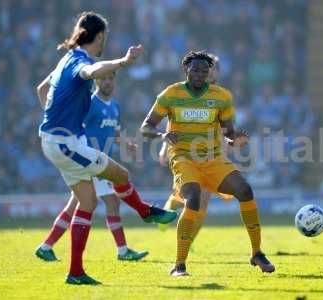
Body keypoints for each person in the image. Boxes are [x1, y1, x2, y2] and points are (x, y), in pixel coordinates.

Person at [36, 11, 176, 285]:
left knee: (87, 202)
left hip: (57, 140)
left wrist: (55, 121)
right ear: (99, 36)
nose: (104, 44)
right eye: (104, 38)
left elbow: (41, 89)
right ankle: (146, 211)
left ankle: (75, 272)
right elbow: (91, 72)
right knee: (121, 175)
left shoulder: (65, 58)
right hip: (66, 142)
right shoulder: (80, 60)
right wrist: (123, 61)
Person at [141, 50, 275, 276]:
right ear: (186, 70)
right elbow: (146, 127)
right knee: (193, 197)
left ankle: (257, 253)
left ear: (210, 72)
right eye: (195, 69)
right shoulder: (170, 94)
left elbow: (228, 131)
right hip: (183, 157)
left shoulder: (222, 97)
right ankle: (179, 265)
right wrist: (162, 136)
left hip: (213, 159)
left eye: (205, 70)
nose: (200, 74)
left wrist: (236, 139)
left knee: (245, 189)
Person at [36, 72, 149, 262]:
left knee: (76, 205)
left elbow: (114, 131)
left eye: (110, 78)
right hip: (90, 160)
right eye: (103, 78)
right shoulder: (89, 103)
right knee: (112, 202)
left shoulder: (114, 106)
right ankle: (122, 251)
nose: (107, 82)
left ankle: (46, 246)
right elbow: (74, 125)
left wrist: (127, 144)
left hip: (99, 160)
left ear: (115, 80)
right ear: (96, 80)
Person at [158, 54, 232, 240]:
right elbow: (173, 118)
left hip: (209, 153)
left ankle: (188, 241)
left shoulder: (221, 96)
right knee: (190, 192)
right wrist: (163, 146)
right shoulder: (186, 91)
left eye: (215, 68)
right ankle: (172, 204)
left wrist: (224, 153)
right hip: (184, 149)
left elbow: (226, 129)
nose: (211, 71)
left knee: (203, 200)